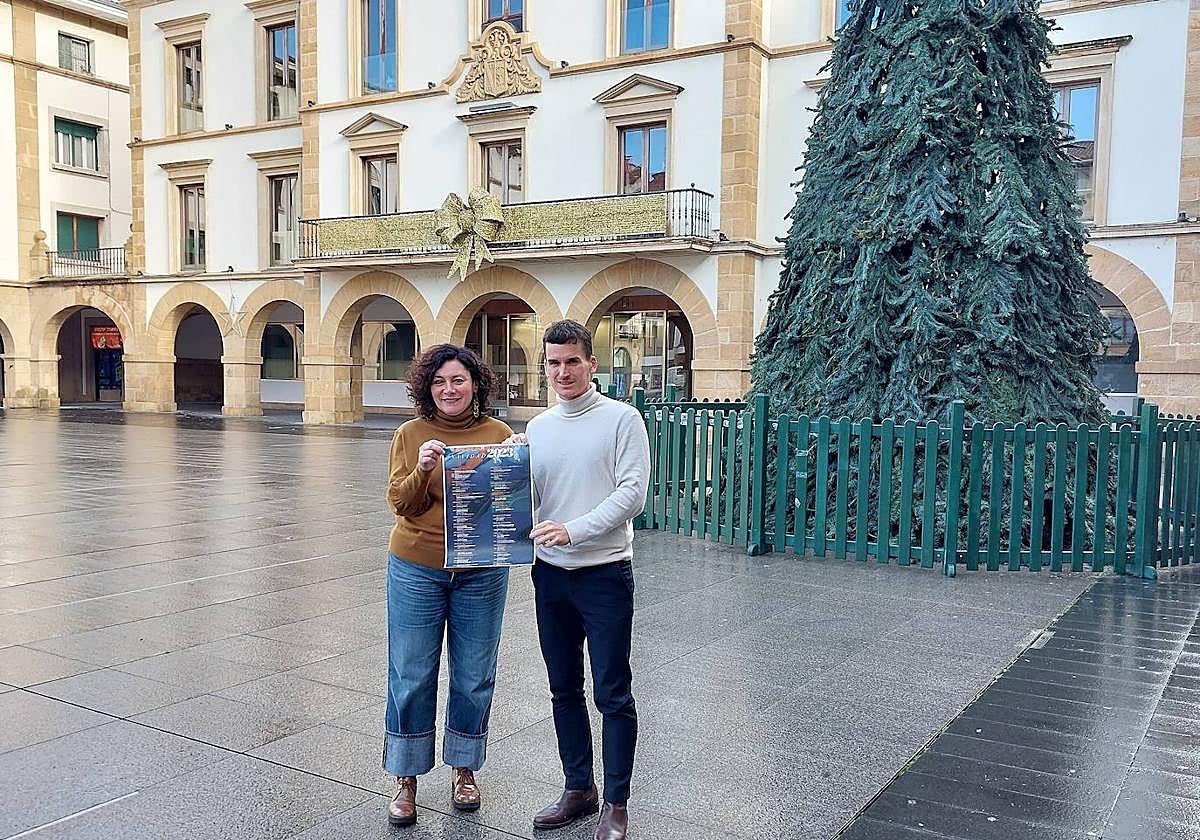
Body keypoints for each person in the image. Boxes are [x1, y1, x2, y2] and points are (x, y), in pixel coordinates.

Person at [525, 320, 651, 840]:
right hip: (549, 576)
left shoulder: (623, 420)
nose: (562, 372)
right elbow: (523, 497)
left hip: (603, 575)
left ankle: (616, 805)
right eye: (553, 363)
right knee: (562, 690)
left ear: (592, 363)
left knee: (612, 693)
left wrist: (572, 530)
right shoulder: (536, 428)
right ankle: (579, 789)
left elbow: (632, 495)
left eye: (572, 361)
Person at [383, 344, 514, 827]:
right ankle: (406, 777)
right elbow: (400, 503)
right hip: (417, 565)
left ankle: (464, 769)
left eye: (458, 380)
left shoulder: (497, 433)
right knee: (411, 672)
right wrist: (421, 468)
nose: (449, 389)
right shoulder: (410, 434)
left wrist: (510, 463)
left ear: (475, 384)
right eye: (440, 382)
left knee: (474, 672)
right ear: (427, 388)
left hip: (481, 570)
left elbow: (508, 504)